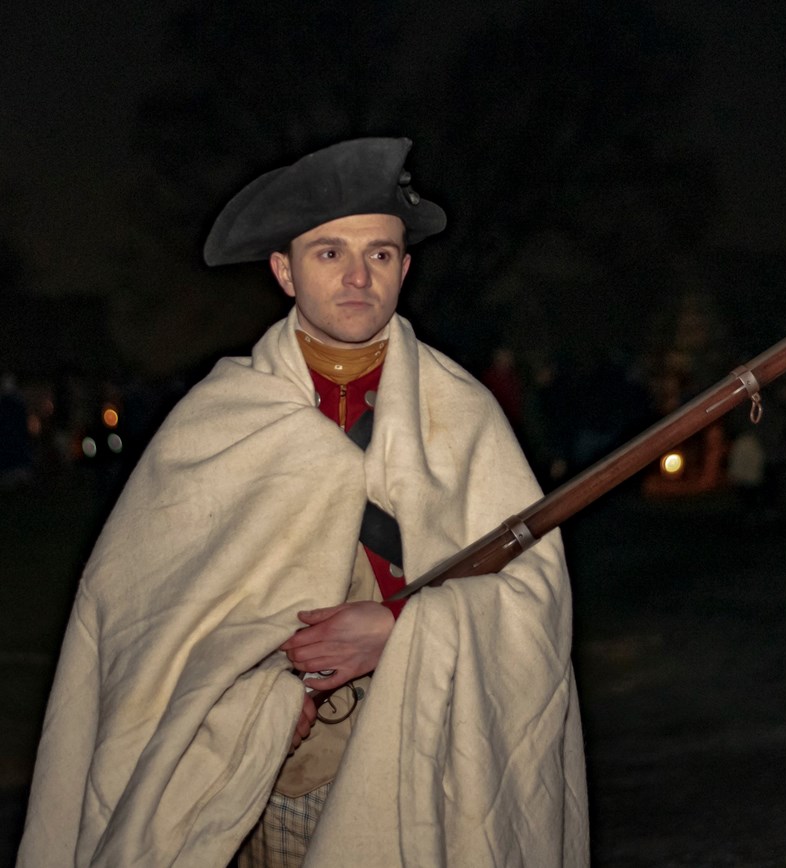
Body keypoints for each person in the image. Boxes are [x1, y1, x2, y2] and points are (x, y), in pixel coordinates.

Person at [18, 138, 588, 867]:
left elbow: (534, 601)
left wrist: (403, 629)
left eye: (380, 255)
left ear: (405, 268)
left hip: (421, 753)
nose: (358, 277)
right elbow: (139, 623)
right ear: (283, 271)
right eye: (329, 253)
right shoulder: (219, 419)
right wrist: (247, 704)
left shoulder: (464, 414)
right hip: (260, 773)